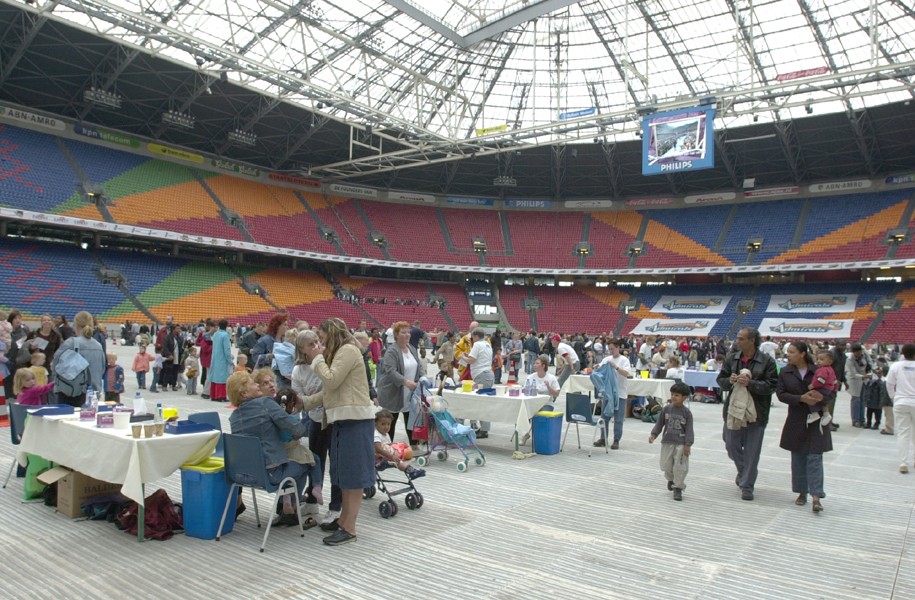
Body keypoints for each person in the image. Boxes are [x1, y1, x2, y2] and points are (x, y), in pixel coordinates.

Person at [300, 318, 375, 546]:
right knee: (342, 475)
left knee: (353, 476)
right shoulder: (342, 353)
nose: (319, 345)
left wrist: (317, 359)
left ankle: (349, 528)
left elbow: (331, 381)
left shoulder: (348, 350)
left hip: (355, 420)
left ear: (331, 334)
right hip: (343, 420)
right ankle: (343, 520)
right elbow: (329, 393)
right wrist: (303, 402)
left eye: (321, 339)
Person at [227, 371, 311, 527]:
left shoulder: (234, 417)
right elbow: (296, 430)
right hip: (270, 476)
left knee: (289, 463)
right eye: (253, 383)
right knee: (306, 463)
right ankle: (290, 510)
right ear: (244, 393)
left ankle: (286, 507)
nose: (257, 385)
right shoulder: (266, 403)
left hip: (242, 475)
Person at [717, 327, 778, 501]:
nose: (738, 341)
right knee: (730, 444)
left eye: (741, 338)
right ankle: (744, 472)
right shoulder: (732, 359)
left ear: (752, 341)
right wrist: (729, 381)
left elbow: (772, 385)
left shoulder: (767, 361)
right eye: (738, 338)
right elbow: (720, 380)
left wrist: (751, 383)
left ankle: (747, 485)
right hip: (734, 410)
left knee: (752, 451)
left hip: (756, 413)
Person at [776, 341, 833, 513]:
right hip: (797, 418)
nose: (789, 355)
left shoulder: (819, 370)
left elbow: (831, 390)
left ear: (802, 353)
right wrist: (801, 398)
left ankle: (816, 496)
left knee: (815, 457)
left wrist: (818, 397)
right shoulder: (786, 372)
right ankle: (802, 491)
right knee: (798, 457)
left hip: (816, 419)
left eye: (792, 352)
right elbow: (781, 394)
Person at [291, 329, 340, 523]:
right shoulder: (298, 370)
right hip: (315, 418)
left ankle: (336, 506)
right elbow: (299, 399)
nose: (317, 346)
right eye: (311, 344)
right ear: (302, 349)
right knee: (314, 460)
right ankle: (311, 501)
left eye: (318, 342)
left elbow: (331, 387)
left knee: (335, 464)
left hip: (333, 418)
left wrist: (309, 399)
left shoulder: (326, 362)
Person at [377, 321, 425, 444]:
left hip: (410, 393)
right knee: (390, 423)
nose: (407, 335)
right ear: (396, 334)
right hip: (393, 393)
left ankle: (414, 447)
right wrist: (405, 382)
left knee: (411, 420)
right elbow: (391, 371)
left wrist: (422, 378)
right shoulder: (391, 351)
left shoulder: (412, 348)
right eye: (403, 332)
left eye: (408, 332)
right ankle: (387, 448)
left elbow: (417, 366)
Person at [648, 382, 694, 501]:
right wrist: (654, 434)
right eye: (672, 394)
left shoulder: (687, 413)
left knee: (680, 467)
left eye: (677, 395)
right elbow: (660, 424)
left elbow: (689, 430)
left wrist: (688, 445)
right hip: (667, 442)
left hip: (681, 443)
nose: (673, 397)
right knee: (665, 465)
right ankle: (671, 479)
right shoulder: (666, 409)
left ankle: (678, 488)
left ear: (684, 398)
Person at [51, 311, 105, 407]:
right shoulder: (98, 346)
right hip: (93, 393)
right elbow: (102, 369)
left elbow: (55, 365)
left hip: (71, 392)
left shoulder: (71, 343)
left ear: (75, 325)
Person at [595, 339, 631, 449]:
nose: (611, 351)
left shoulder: (624, 360)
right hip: (608, 394)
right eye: (609, 349)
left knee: (618, 419)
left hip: (620, 393)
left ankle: (616, 440)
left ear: (618, 347)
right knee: (604, 417)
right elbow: (600, 371)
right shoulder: (606, 359)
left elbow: (626, 373)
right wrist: (598, 367)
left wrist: (615, 367)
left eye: (612, 349)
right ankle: (603, 438)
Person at [886, 343, 915, 474]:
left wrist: (894, 398)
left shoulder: (896, 366)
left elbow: (889, 383)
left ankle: (903, 463)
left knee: (903, 433)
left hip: (901, 401)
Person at [373, 409, 425, 479]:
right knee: (398, 461)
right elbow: (378, 449)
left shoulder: (385, 434)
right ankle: (411, 471)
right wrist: (392, 456)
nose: (386, 427)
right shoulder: (376, 435)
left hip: (386, 457)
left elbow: (389, 445)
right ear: (376, 424)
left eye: (388, 424)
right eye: (383, 424)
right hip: (378, 461)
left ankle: (411, 471)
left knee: (400, 456)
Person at [461, 328, 494, 438]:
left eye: (472, 337)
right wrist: (468, 355)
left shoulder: (477, 345)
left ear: (475, 336)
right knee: (483, 402)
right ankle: (483, 428)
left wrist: (462, 357)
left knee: (481, 403)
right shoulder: (487, 344)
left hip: (482, 375)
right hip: (487, 374)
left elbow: (471, 360)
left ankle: (484, 430)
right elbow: (477, 357)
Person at [804, 350, 838, 428]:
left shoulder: (822, 370)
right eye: (818, 359)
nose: (819, 361)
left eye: (822, 359)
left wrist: (813, 385)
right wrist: (835, 388)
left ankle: (814, 413)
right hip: (829, 389)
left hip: (822, 388)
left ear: (830, 362)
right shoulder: (831, 369)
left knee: (811, 397)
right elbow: (835, 380)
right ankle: (826, 414)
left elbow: (820, 380)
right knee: (822, 403)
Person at [209, 319, 233, 403]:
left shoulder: (216, 334)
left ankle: (213, 394)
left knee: (215, 376)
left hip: (215, 357)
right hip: (222, 358)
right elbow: (226, 349)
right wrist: (230, 360)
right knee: (222, 377)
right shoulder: (225, 335)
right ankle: (221, 395)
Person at [847, 343, 869, 428]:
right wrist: (863, 376)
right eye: (856, 353)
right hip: (854, 380)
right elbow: (853, 373)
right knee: (856, 399)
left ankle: (862, 419)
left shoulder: (865, 354)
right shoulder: (849, 359)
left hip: (864, 379)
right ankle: (855, 420)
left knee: (863, 399)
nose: (858, 354)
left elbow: (870, 363)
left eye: (859, 352)